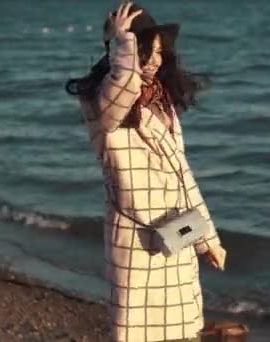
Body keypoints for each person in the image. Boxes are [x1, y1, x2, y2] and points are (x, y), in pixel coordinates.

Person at [65, 2, 227, 341]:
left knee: (183, 329)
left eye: (158, 53)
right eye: (145, 52)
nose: (154, 61)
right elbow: (118, 98)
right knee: (136, 332)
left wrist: (207, 238)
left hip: (176, 232)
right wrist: (123, 46)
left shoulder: (162, 102)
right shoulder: (99, 102)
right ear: (124, 52)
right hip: (136, 238)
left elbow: (183, 174)